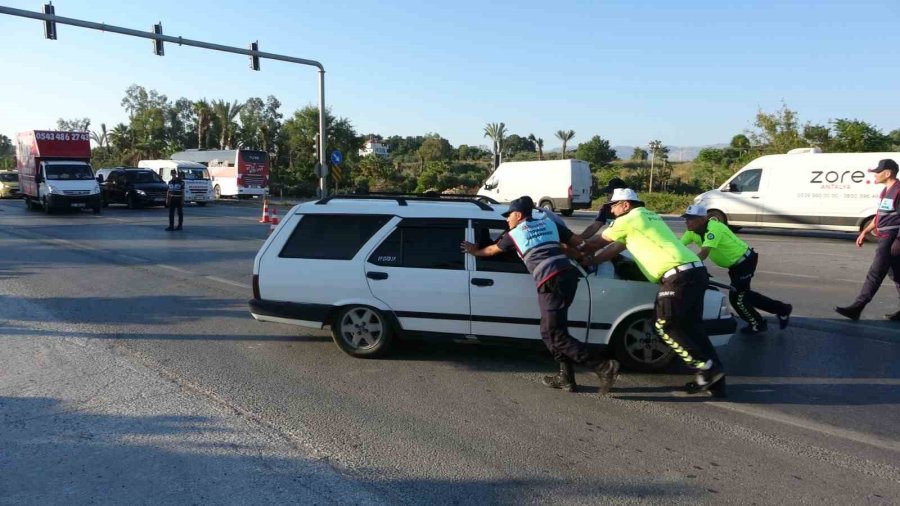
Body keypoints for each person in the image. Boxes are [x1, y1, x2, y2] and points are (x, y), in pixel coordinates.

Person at [461, 196, 620, 395]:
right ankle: (566, 378)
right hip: (568, 275)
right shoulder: (550, 224)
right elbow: (580, 243)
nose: (507, 220)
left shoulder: (514, 234)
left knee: (553, 333)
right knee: (553, 330)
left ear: (518, 215)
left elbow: (492, 250)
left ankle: (603, 366)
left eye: (509, 215)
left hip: (552, 280)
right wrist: (579, 255)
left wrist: (474, 251)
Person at [583, 188, 725, 396]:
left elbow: (597, 242)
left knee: (664, 324)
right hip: (695, 271)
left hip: (678, 276)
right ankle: (717, 380)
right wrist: (593, 261)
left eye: (613, 206)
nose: (611, 211)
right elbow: (616, 248)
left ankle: (705, 367)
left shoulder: (629, 219)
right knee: (692, 329)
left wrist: (574, 249)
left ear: (625, 205)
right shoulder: (648, 216)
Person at [681, 204, 792, 334]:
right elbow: (678, 246)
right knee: (743, 294)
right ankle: (782, 309)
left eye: (690, 219)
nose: (686, 222)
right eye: (686, 218)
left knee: (738, 298)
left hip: (745, 262)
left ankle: (759, 324)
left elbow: (704, 253)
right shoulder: (691, 232)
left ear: (702, 219)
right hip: (735, 265)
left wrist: (688, 265)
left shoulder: (714, 229)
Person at [836, 158, 900, 321]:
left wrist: (898, 240)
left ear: (888, 173)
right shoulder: (885, 191)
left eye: (878, 172)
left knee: (875, 272)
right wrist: (865, 231)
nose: (875, 175)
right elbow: (880, 215)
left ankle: (857, 307)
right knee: (896, 274)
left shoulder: (898, 190)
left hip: (892, 238)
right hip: (885, 236)